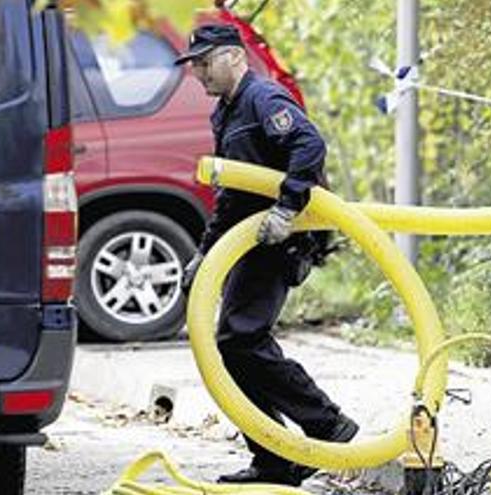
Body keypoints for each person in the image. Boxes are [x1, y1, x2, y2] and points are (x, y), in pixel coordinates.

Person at [175, 24, 359, 486]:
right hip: (251, 238)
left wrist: (286, 207)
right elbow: (232, 193)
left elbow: (309, 145)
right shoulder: (227, 113)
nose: (198, 72)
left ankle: (325, 425)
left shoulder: (263, 99)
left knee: (240, 338)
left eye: (205, 61)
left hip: (283, 237)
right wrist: (204, 254)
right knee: (234, 345)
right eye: (194, 64)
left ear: (235, 57)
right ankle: (274, 456)